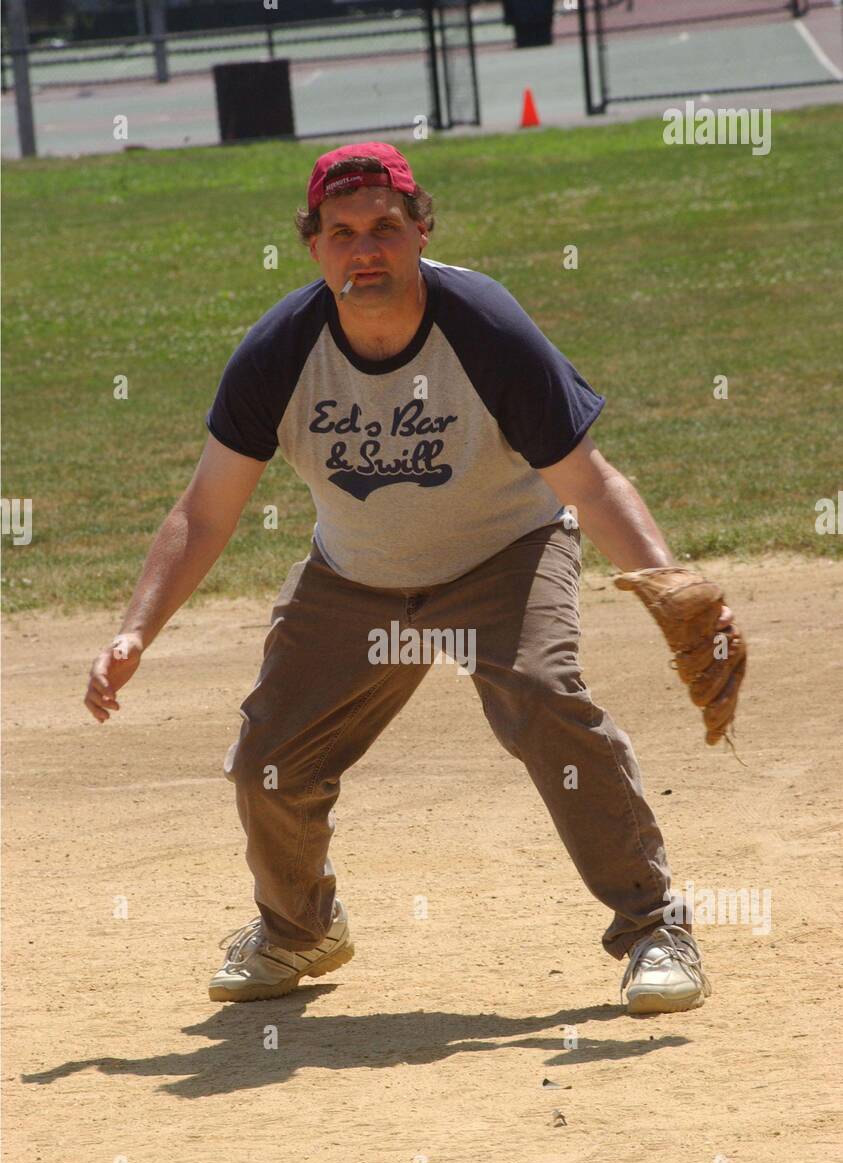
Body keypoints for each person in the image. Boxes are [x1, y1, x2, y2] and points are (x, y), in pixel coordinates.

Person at [84, 141, 723, 1015]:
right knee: (266, 766)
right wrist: (136, 629)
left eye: (385, 226)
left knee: (542, 694)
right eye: (340, 232)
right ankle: (299, 930)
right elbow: (205, 510)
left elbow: (589, 480)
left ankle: (655, 928)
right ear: (312, 246)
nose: (365, 249)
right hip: (357, 578)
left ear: (421, 229)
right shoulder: (280, 352)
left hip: (505, 557)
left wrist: (667, 584)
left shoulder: (484, 328)